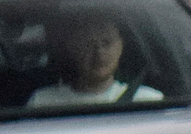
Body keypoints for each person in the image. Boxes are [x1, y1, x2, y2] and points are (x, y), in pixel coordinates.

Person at [27, 14, 161, 107]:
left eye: (107, 43)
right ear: (72, 49)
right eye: (88, 45)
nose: (99, 53)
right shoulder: (42, 101)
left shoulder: (148, 100)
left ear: (121, 46)